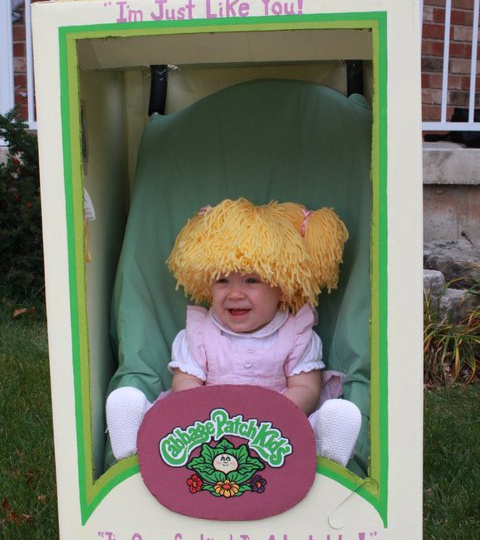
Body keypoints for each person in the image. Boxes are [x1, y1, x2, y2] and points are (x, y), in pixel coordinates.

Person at [106, 198, 362, 465]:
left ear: (281, 285)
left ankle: (327, 454)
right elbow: (185, 383)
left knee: (323, 419)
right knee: (166, 420)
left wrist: (274, 415)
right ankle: (133, 441)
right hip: (206, 427)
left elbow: (306, 388)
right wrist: (204, 415)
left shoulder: (296, 332)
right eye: (222, 280)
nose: (235, 293)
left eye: (251, 280)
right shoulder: (199, 332)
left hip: (276, 432)